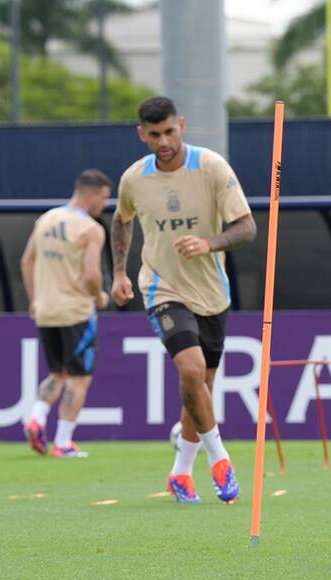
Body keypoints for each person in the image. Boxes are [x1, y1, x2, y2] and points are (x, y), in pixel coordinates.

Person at [111, 96, 257, 504]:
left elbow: (246, 228)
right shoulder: (134, 178)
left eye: (169, 132)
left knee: (201, 387)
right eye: (154, 134)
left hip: (211, 292)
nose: (163, 141)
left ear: (182, 126)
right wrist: (119, 272)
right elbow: (121, 220)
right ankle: (220, 460)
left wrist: (209, 243)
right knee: (191, 371)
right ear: (142, 134)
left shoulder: (211, 167)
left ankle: (179, 472)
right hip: (161, 288)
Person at [21, 169, 112, 458]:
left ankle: (36, 417)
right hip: (76, 312)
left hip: (46, 310)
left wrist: (35, 299)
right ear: (91, 195)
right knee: (79, 378)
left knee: (57, 373)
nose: (104, 205)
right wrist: (99, 296)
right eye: (103, 198)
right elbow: (91, 274)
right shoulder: (90, 229)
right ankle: (63, 442)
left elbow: (27, 261)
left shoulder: (46, 219)